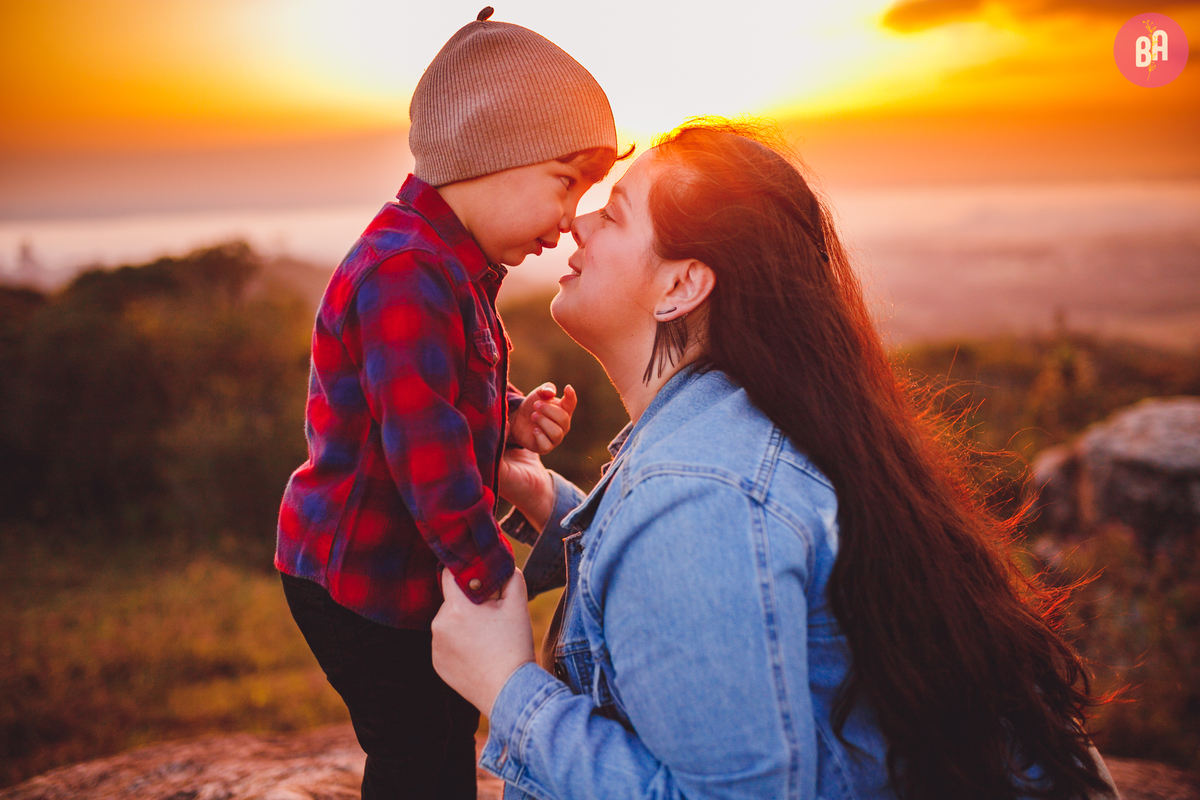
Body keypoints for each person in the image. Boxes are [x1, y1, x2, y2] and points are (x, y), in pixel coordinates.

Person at [430, 119, 1119, 800]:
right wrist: (554, 506)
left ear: (680, 286)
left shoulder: (695, 497)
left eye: (612, 214)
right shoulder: (743, 430)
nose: (577, 225)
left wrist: (507, 686)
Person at [275, 9, 621, 798]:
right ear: (486, 153)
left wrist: (510, 418)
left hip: (399, 569)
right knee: (415, 741)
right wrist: (491, 576)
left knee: (444, 722)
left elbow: (436, 390)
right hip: (360, 579)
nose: (571, 218)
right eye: (565, 182)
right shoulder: (404, 272)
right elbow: (424, 449)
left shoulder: (446, 263)